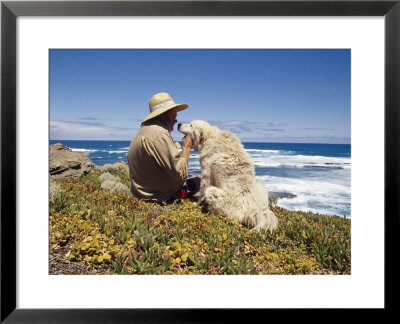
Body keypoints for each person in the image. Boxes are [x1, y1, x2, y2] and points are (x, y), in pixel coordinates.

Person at [127, 92, 200, 202]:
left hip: (142, 194)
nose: (176, 120)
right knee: (205, 179)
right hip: (163, 196)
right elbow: (180, 174)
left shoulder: (143, 132)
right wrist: (187, 146)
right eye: (174, 115)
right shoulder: (160, 133)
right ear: (164, 115)